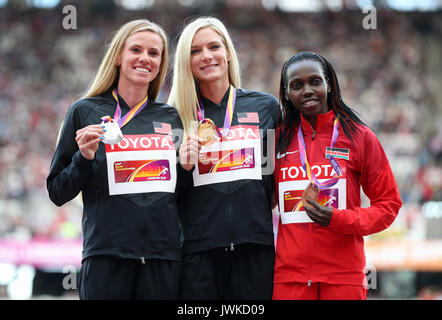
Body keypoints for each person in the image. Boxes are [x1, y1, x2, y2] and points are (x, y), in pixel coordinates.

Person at [47, 19, 183, 300]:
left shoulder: (169, 117)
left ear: (161, 63)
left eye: (154, 53)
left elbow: (181, 192)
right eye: (136, 50)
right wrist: (83, 159)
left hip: (162, 259)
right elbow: (57, 192)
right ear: (118, 56)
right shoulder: (83, 111)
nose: (145, 58)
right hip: (106, 258)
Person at [273, 51, 402, 300]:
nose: (307, 90)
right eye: (297, 85)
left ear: (329, 85)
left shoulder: (360, 137)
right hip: (290, 278)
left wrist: (339, 219)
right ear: (287, 94)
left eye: (315, 81)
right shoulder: (276, 140)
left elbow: (389, 205)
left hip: (344, 277)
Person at [167, 17, 279, 299]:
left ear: (228, 52)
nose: (206, 56)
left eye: (214, 46)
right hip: (198, 254)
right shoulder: (173, 117)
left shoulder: (266, 107)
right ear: (186, 61)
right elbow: (165, 197)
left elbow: (273, 176)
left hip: (255, 248)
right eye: (195, 51)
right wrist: (183, 167)